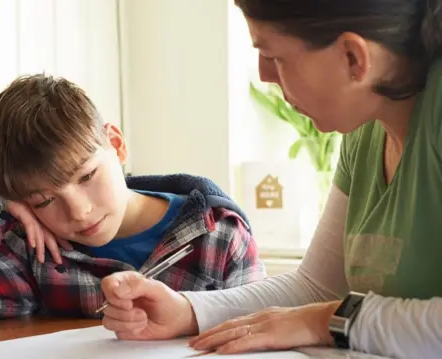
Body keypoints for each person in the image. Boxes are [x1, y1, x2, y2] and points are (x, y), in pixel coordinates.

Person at [25, 1, 442, 358]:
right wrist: (185, 310)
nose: (263, 74)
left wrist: (325, 320)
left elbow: (319, 307)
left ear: (353, 58)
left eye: (274, 55)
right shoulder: (365, 133)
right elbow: (315, 285)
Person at [0, 74, 266, 325]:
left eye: (86, 177)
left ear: (116, 143)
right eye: (43, 201)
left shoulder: (219, 237)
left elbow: (259, 333)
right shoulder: (36, 253)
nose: (80, 212)